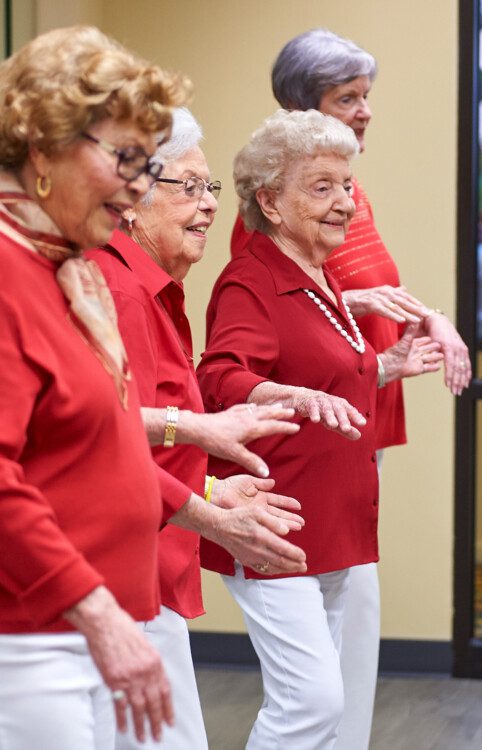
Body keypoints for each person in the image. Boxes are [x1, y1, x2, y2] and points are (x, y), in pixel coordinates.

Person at [230, 29, 473, 748]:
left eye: (367, 96)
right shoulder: (272, 231)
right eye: (347, 98)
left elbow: (365, 292)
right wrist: (372, 348)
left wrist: (413, 334)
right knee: (323, 659)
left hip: (358, 412)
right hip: (313, 437)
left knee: (352, 617)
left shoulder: (344, 199)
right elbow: (244, 360)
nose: (364, 110)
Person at [196, 108, 443, 749]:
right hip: (275, 522)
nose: (344, 203)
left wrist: (384, 367)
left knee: (321, 708)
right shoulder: (253, 281)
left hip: (332, 523)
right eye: (322, 187)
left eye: (348, 186)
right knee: (310, 703)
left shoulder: (318, 276)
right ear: (271, 201)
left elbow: (326, 378)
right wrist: (280, 392)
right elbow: (219, 376)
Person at [88, 107, 307, 749]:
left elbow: (146, 439)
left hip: (143, 573)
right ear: (131, 200)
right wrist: (213, 515)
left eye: (210, 188)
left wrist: (210, 491)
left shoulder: (150, 289)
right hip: (121, 581)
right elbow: (107, 447)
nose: (209, 205)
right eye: (188, 187)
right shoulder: (124, 294)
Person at [0, 25, 189, 750]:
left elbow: (94, 449)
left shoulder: (66, 273)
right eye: (126, 159)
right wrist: (100, 616)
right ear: (44, 147)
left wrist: (194, 506)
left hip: (85, 628)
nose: (142, 186)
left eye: (150, 163)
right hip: (33, 642)